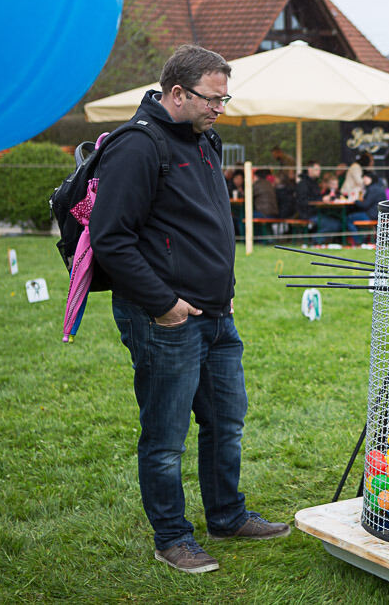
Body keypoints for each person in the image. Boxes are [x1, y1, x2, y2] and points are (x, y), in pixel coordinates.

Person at [90, 44, 289, 575]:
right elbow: (112, 239)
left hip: (217, 315)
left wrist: (219, 291)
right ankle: (172, 537)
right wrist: (164, 305)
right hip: (166, 318)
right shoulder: (137, 145)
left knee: (226, 422)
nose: (220, 108)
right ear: (177, 93)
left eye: (226, 98)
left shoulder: (205, 138)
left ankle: (226, 516)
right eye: (213, 98)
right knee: (165, 437)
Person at [295, 161, 342, 243]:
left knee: (337, 220)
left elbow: (315, 198)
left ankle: (317, 239)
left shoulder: (314, 183)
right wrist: (322, 200)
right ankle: (316, 240)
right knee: (336, 224)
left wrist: (324, 199)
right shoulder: (303, 184)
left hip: (316, 212)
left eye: (319, 169)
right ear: (309, 169)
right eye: (317, 169)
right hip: (307, 214)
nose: (319, 171)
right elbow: (304, 201)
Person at [346, 171, 386, 245]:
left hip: (372, 215)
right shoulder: (378, 187)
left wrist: (355, 201)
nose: (364, 180)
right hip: (377, 215)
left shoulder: (373, 189)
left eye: (366, 177)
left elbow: (365, 205)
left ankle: (357, 241)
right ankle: (361, 239)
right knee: (354, 216)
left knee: (348, 218)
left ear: (371, 179)